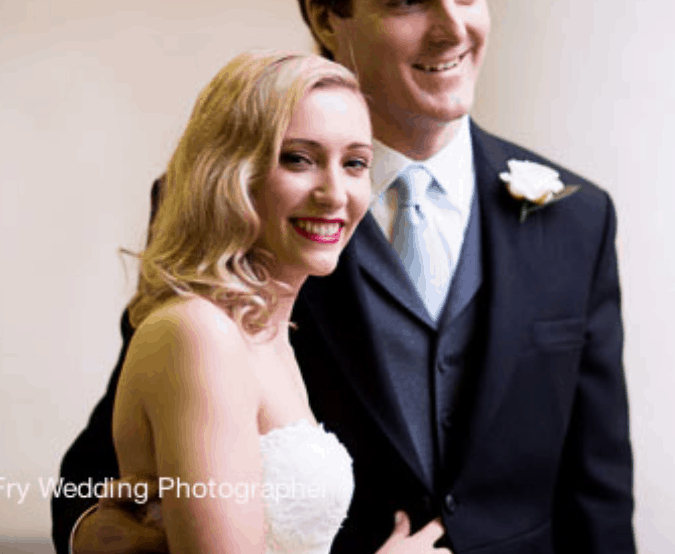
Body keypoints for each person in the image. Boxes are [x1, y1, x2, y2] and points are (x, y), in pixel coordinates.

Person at [53, 0, 636, 554]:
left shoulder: (578, 216)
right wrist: (98, 534)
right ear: (327, 16)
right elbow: (114, 460)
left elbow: (599, 491)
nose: (454, 29)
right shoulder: (241, 204)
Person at [101, 49, 450, 554]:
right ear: (231, 172)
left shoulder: (271, 336)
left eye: (355, 163)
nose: (334, 192)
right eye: (299, 159)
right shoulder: (198, 332)